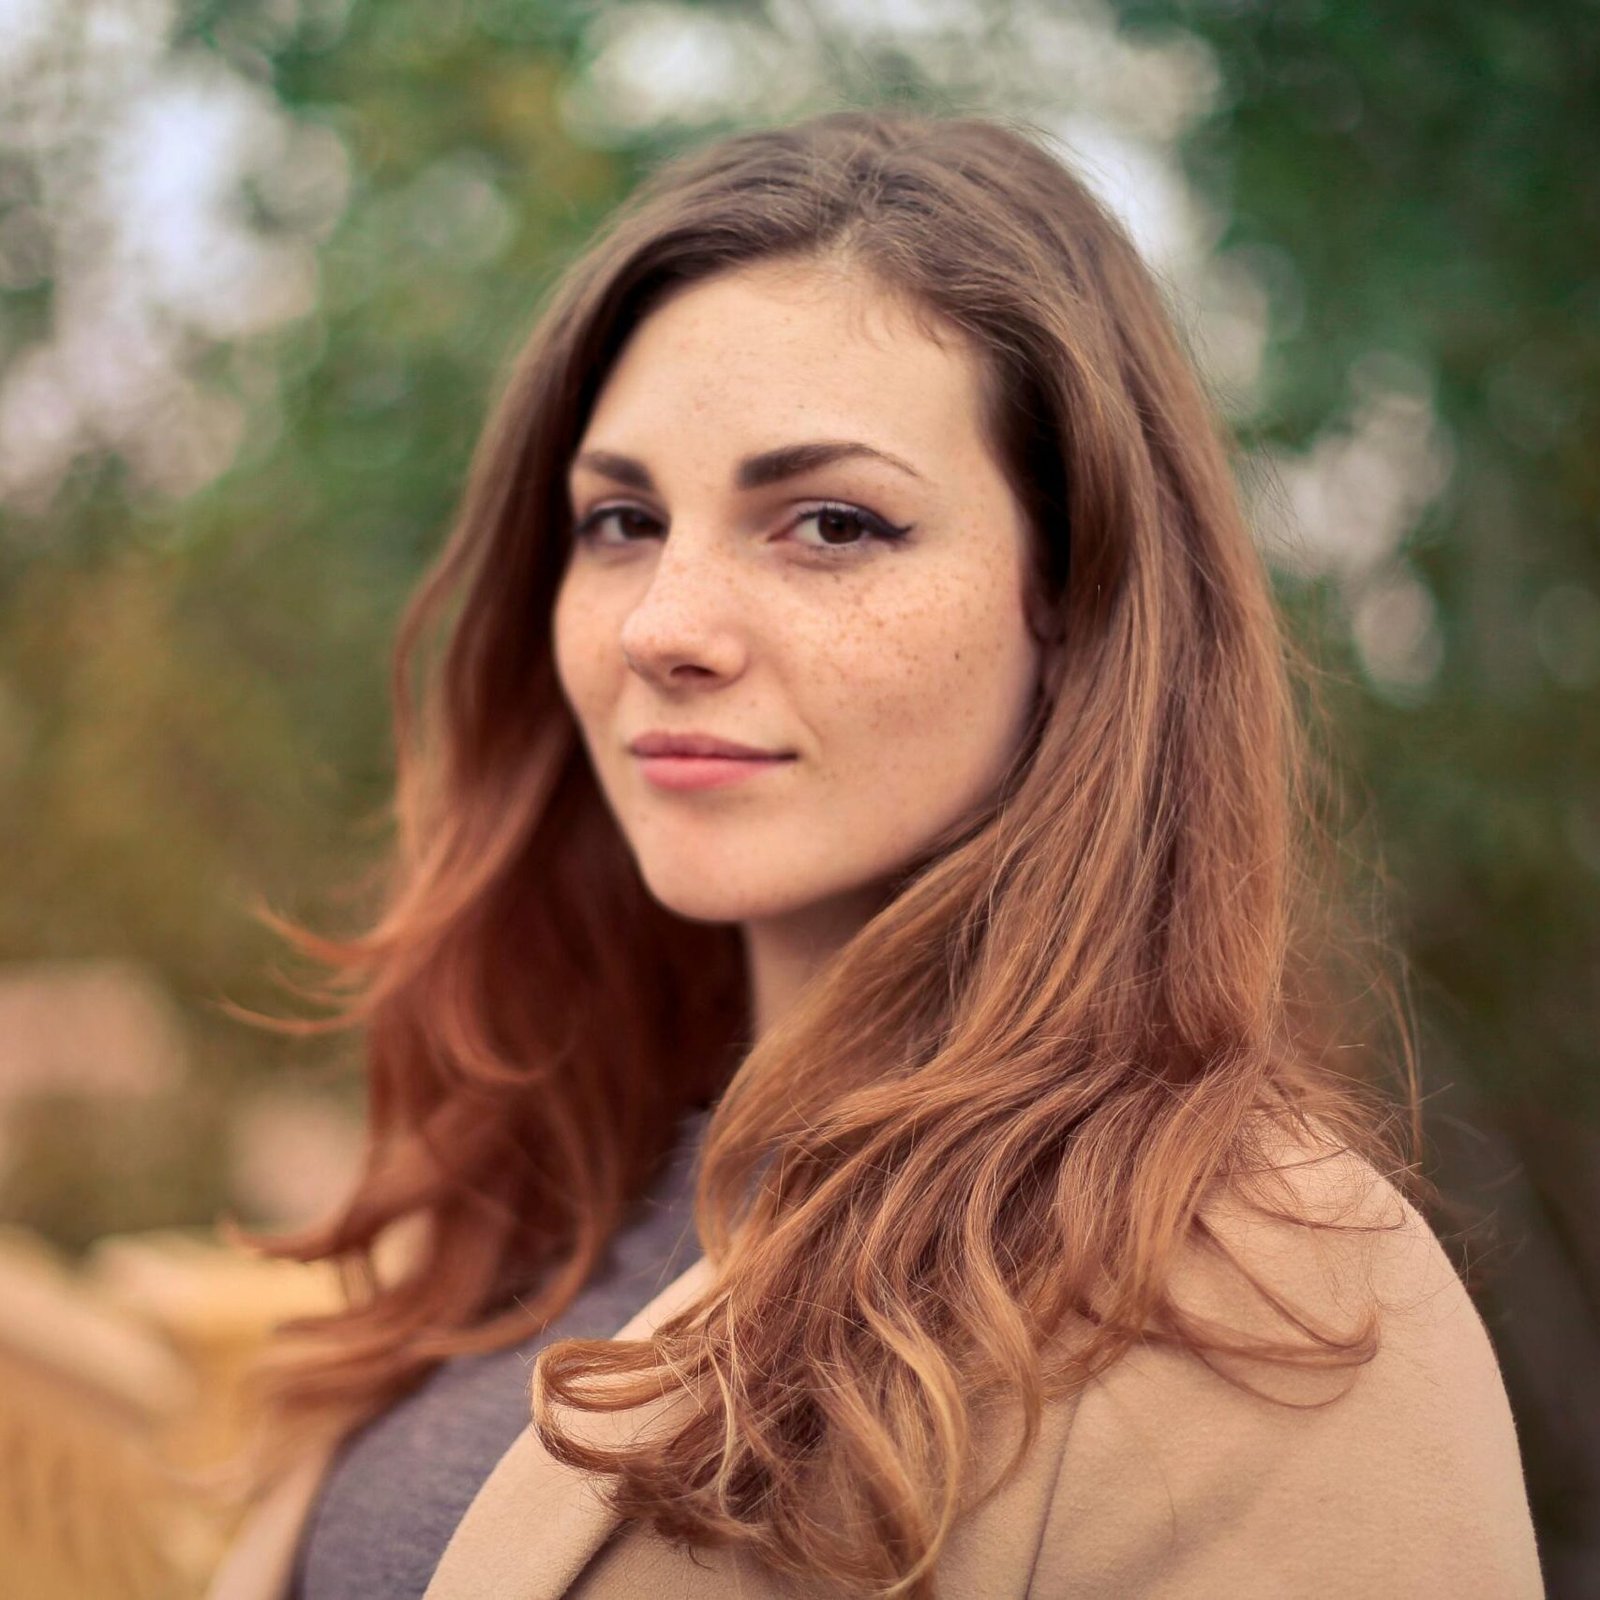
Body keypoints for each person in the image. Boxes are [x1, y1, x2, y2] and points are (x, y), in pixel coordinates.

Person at [206, 109, 1542, 1600]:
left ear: (1073, 596)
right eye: (622, 520)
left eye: (831, 524)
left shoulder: (1260, 1293)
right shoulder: (535, 1195)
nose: (665, 627)